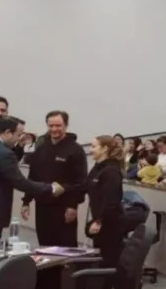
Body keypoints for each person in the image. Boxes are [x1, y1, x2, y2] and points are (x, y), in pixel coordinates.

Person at [20, 110, 88, 247]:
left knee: (65, 247)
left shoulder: (75, 150)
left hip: (64, 207)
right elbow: (33, 176)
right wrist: (26, 201)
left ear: (66, 125)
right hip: (42, 206)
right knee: (45, 245)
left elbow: (81, 182)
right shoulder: (41, 147)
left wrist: (72, 205)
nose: (54, 129)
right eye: (51, 126)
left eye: (58, 126)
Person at [0, 116, 61, 239]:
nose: (18, 139)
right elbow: (19, 182)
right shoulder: (4, 153)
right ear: (7, 133)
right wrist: (50, 188)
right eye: (18, 135)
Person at [81, 135, 127, 271]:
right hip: (100, 220)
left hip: (111, 223)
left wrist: (99, 221)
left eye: (94, 146)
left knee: (108, 260)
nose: (91, 150)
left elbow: (111, 200)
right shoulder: (97, 168)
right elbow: (84, 186)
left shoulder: (111, 171)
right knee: (100, 257)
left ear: (105, 149)